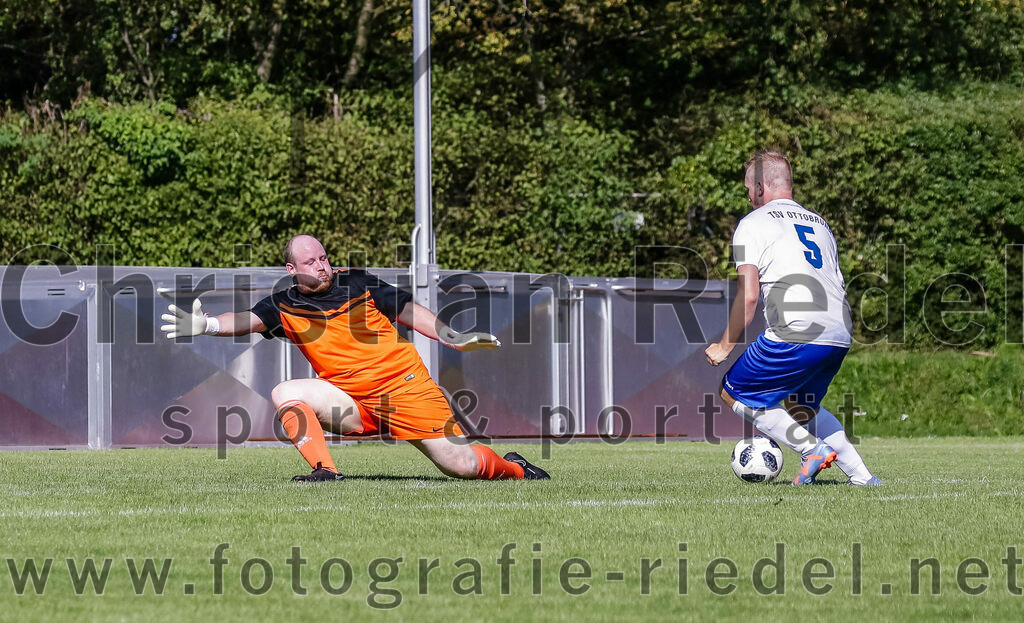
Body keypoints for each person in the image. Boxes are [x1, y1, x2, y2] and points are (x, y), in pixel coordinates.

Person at [161, 234, 549, 482]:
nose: (322, 266)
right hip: (352, 402)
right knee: (285, 391)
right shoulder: (285, 304)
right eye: (311, 262)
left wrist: (454, 337)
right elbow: (246, 320)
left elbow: (408, 310)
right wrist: (206, 325)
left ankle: (516, 469)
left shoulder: (356, 281)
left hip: (403, 388)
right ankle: (325, 471)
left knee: (460, 465)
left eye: (324, 258)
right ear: (291, 269)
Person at [705, 150, 881, 486]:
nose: (748, 196)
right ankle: (863, 478)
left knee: (734, 393)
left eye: (747, 189)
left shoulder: (752, 224)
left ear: (759, 188)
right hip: (840, 330)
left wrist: (725, 346)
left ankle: (810, 450)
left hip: (796, 329)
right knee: (802, 406)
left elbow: (750, 294)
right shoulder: (820, 223)